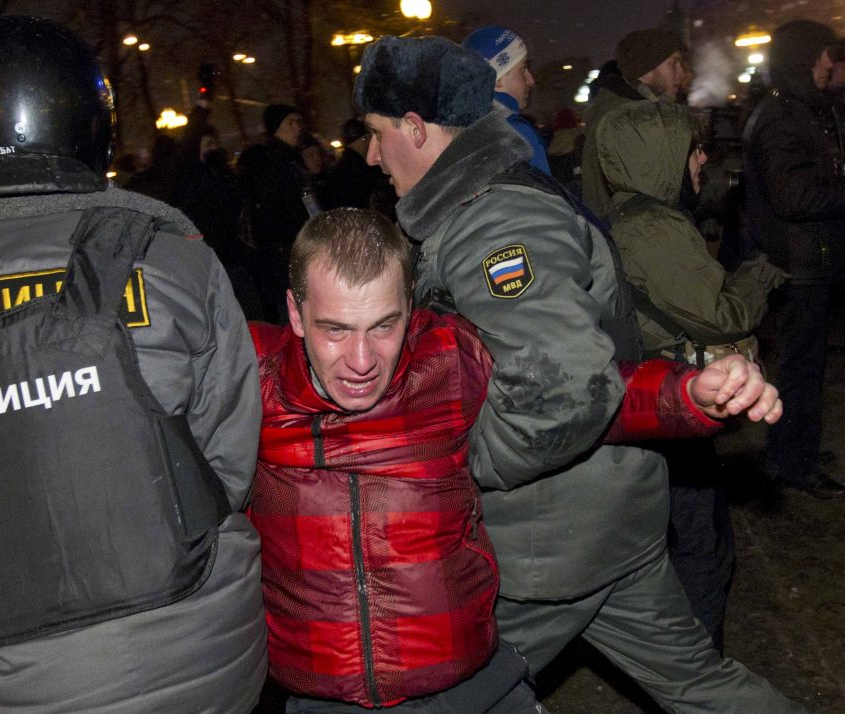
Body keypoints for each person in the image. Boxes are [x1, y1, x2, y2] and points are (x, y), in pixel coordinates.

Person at [355, 34, 805, 712]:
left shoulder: (495, 223)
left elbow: (562, 397)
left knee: (431, 698)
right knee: (699, 686)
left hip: (547, 546)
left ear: (416, 128)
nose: (369, 154)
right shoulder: (470, 210)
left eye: (376, 133)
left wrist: (448, 462)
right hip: (598, 518)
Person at [0, 16, 266, 713]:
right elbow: (233, 457)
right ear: (90, 119)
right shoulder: (167, 249)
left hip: (15, 674)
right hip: (201, 642)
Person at [252, 208, 792, 713]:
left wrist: (690, 394)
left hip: (468, 685)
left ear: (411, 307)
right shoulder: (249, 383)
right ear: (296, 313)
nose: (362, 361)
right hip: (325, 696)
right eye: (336, 329)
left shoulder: (447, 361)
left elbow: (574, 396)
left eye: (384, 326)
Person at [598, 99, 785, 650]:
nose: (702, 159)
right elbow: (717, 314)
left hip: (660, 394)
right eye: (692, 148)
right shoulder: (654, 226)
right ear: (662, 157)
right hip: (672, 393)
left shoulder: (639, 216)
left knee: (692, 539)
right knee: (700, 548)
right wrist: (761, 276)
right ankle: (698, 671)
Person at [743, 20, 845, 500]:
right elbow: (793, 196)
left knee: (805, 367)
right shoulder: (781, 117)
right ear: (807, 58)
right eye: (828, 55)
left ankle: (796, 448)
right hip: (795, 267)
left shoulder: (804, 110)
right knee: (798, 370)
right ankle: (791, 461)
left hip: (810, 262)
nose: (834, 64)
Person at [582, 28, 686, 217]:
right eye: (673, 64)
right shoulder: (630, 120)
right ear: (646, 68)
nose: (681, 74)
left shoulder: (624, 110)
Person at [238, 103, 310, 323]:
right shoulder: (271, 164)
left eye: (299, 121)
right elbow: (275, 217)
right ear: (277, 127)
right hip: (284, 261)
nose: (298, 127)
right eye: (291, 122)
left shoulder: (290, 159)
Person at [463, 27, 550, 174]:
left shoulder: (456, 130)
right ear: (496, 80)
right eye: (523, 69)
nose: (531, 80)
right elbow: (545, 195)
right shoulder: (517, 133)